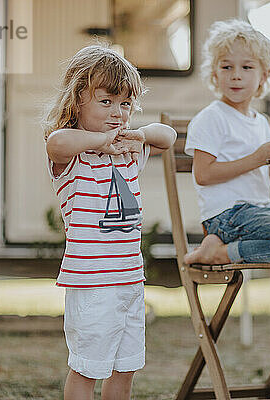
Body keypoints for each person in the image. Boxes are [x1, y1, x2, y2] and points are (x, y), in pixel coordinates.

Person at [43, 45, 176, 400]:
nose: (118, 114)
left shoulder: (129, 148)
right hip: (92, 284)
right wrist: (102, 141)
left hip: (130, 279)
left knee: (125, 366)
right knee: (87, 367)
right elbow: (57, 141)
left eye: (125, 104)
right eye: (106, 102)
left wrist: (137, 135)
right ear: (77, 102)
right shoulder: (75, 158)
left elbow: (169, 136)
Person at [183, 19, 270, 266]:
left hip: (261, 210)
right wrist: (257, 157)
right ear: (214, 73)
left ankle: (220, 248)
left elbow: (265, 174)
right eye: (226, 67)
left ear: (263, 76)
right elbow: (203, 175)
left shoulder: (259, 122)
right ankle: (218, 253)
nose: (236, 76)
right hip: (228, 215)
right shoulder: (211, 118)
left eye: (247, 67)